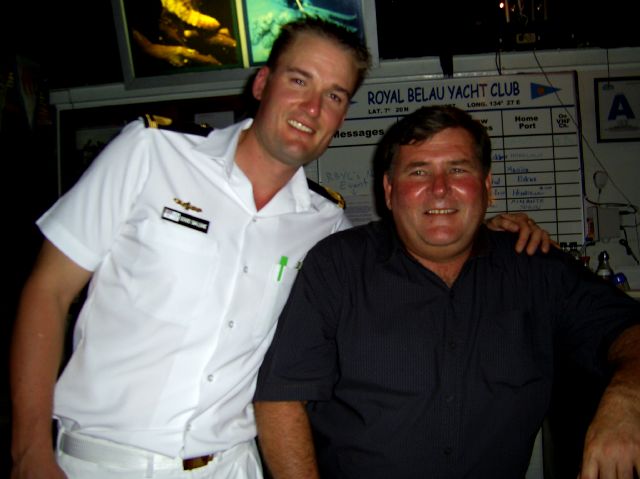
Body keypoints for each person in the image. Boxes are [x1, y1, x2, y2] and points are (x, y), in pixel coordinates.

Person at [10, 18, 549, 479]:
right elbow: (48, 291)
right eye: (299, 80)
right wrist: (29, 448)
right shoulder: (151, 152)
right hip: (100, 462)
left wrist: (487, 229)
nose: (312, 107)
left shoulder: (327, 226)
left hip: (232, 465)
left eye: (334, 96)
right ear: (263, 82)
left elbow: (414, 244)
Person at [253, 105, 640, 479]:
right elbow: (280, 399)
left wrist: (628, 398)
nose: (439, 189)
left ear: (486, 187)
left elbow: (628, 328)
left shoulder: (536, 268)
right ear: (389, 190)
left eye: (458, 169)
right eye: (419, 171)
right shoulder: (337, 267)